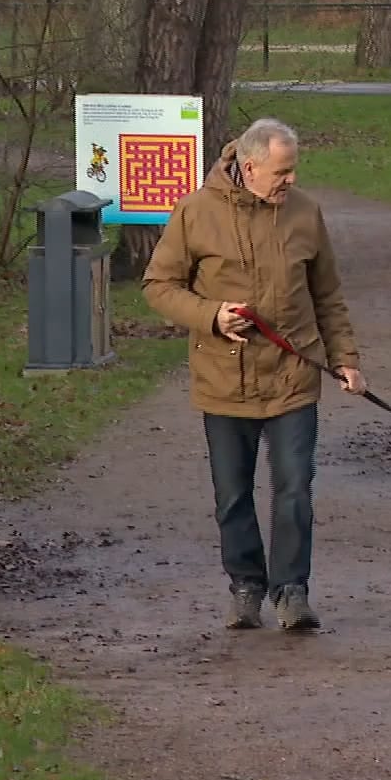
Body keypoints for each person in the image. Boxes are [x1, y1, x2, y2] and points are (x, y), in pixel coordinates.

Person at [142, 118, 365, 632]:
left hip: (294, 373)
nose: (290, 180)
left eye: (293, 171)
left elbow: (328, 295)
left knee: (294, 490)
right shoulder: (195, 212)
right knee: (232, 493)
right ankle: (246, 586)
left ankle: (291, 591)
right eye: (281, 172)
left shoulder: (306, 213)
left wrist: (345, 359)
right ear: (249, 166)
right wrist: (211, 317)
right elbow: (159, 285)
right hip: (223, 380)